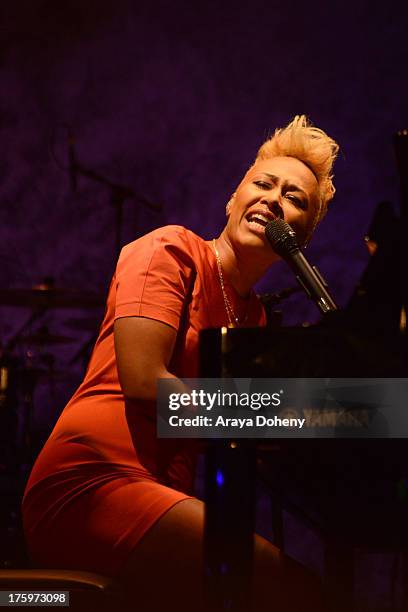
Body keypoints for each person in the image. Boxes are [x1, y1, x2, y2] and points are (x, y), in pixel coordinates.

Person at [22, 115, 339, 611]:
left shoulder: (254, 319)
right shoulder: (170, 250)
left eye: (295, 199)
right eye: (262, 184)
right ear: (233, 200)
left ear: (302, 237)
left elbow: (248, 434)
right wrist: (310, 411)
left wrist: (345, 431)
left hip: (163, 495)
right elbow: (147, 386)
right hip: (94, 482)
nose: (273, 199)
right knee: (293, 590)